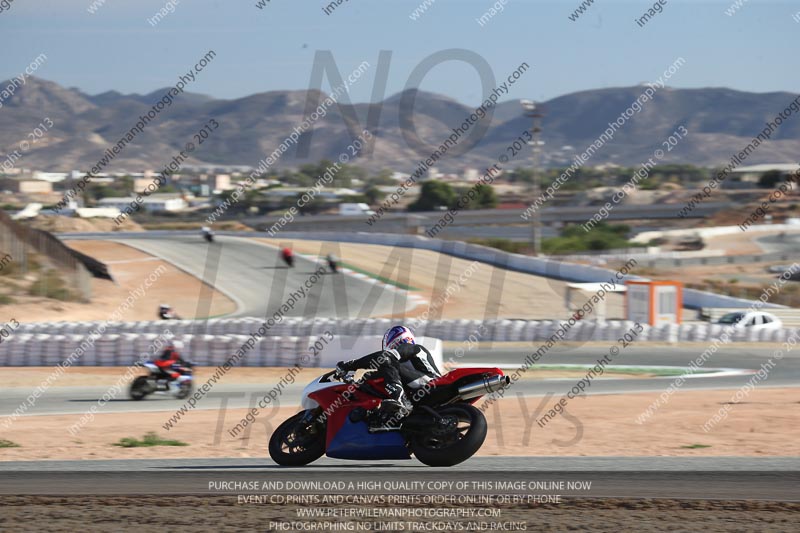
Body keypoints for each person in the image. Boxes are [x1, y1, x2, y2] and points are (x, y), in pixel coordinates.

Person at [334, 326, 441, 427]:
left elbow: (385, 357)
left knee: (385, 361)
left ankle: (400, 400)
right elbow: (380, 375)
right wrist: (356, 384)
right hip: (418, 395)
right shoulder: (396, 366)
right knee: (372, 377)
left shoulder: (414, 348)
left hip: (431, 383)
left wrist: (350, 365)